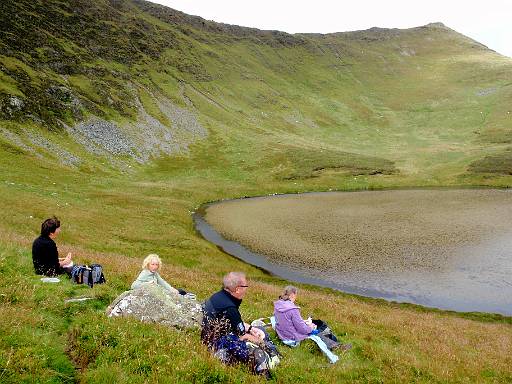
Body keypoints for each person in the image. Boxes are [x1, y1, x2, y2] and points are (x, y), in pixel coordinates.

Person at [202, 272, 278, 378]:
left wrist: (251, 328)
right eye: (245, 286)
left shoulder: (218, 296)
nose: (246, 289)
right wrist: (261, 341)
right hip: (218, 344)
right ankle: (270, 360)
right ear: (237, 289)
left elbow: (233, 323)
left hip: (210, 337)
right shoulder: (230, 308)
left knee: (258, 329)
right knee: (260, 342)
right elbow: (242, 336)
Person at [273, 285, 351, 364]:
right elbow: (303, 329)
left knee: (316, 326)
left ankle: (336, 344)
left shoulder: (278, 305)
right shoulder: (292, 309)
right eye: (296, 295)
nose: (296, 297)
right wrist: (310, 326)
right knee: (320, 329)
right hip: (292, 337)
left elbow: (287, 320)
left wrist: (303, 322)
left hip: (282, 334)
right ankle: (337, 347)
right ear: (292, 294)